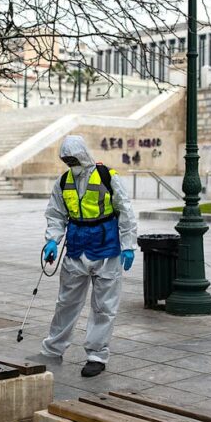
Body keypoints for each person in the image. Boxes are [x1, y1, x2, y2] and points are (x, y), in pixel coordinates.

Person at [40, 135, 137, 377]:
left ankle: (96, 355)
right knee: (66, 303)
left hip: (106, 248)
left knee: (104, 306)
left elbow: (125, 210)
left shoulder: (107, 176)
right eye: (67, 160)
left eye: (73, 158)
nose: (70, 163)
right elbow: (56, 214)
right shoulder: (64, 182)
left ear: (83, 154)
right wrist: (52, 240)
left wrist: (128, 245)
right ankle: (53, 349)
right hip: (76, 248)